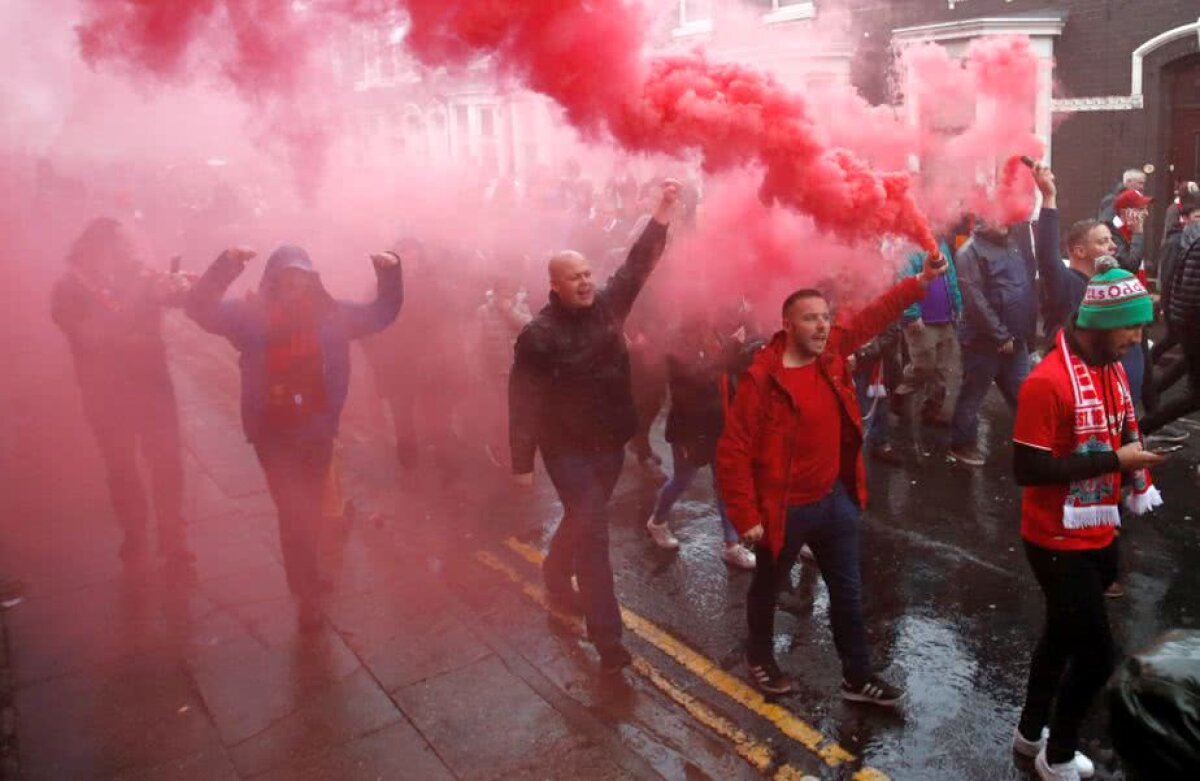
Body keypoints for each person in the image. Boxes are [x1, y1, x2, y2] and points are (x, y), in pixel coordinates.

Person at [715, 250, 949, 704]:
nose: (822, 327)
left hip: (834, 500)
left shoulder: (833, 352)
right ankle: (760, 659)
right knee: (767, 587)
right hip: (785, 510)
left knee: (847, 589)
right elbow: (734, 450)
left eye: (825, 318)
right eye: (810, 320)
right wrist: (745, 516)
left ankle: (857, 677)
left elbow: (874, 316)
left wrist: (918, 282)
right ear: (787, 325)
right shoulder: (762, 378)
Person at [509, 180, 680, 674]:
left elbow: (637, 264)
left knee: (584, 519)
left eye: (587, 273)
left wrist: (663, 212)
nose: (585, 282)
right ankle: (608, 641)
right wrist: (522, 463)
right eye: (574, 277)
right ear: (554, 286)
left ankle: (553, 567)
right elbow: (522, 400)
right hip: (567, 452)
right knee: (594, 536)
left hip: (609, 446)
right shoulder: (539, 336)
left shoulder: (608, 305)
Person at [186, 244, 402, 629]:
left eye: (299, 276)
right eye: (285, 276)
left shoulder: (332, 316)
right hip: (272, 434)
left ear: (310, 279)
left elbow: (382, 314)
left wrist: (390, 274)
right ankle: (306, 595)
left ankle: (309, 578)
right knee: (293, 512)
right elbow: (199, 308)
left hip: (316, 431)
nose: (292, 283)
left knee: (312, 509)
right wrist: (226, 265)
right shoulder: (249, 317)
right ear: (272, 280)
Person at [1010, 267, 1164, 781]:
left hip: (1098, 529)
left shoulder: (1108, 369)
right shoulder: (1046, 382)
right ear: (1103, 323)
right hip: (1054, 540)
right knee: (1097, 657)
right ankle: (1056, 757)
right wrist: (1114, 463)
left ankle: (1030, 734)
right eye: (1132, 330)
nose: (1137, 341)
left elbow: (1117, 438)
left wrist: (1132, 460)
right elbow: (1027, 470)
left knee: (1058, 638)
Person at [51, 217, 195, 567]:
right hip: (105, 393)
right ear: (88, 250)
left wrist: (182, 287)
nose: (119, 252)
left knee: (166, 461)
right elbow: (85, 334)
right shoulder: (70, 288)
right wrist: (128, 329)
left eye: (123, 245)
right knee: (121, 464)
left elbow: (177, 297)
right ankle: (134, 532)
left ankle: (172, 534)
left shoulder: (142, 278)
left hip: (152, 385)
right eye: (110, 246)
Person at [645, 314, 756, 570]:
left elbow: (731, 368)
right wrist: (730, 350)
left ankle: (731, 544)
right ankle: (657, 521)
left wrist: (750, 349)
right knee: (683, 480)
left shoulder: (716, 330)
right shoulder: (678, 340)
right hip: (690, 430)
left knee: (724, 483)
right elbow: (695, 379)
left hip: (721, 425)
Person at [949, 193, 1052, 466]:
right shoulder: (968, 252)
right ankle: (961, 444)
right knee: (973, 394)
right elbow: (975, 300)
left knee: (1022, 394)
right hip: (985, 342)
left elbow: (1023, 287)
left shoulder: (1011, 243)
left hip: (1015, 340)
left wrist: (1023, 334)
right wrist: (1000, 334)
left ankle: (1033, 442)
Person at [1140, 209, 1200, 436]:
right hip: (1193, 323)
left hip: (1188, 322)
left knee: (1189, 371)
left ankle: (1150, 394)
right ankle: (1140, 429)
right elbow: (1191, 291)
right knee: (1195, 396)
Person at [893, 237, 961, 428]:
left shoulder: (941, 243)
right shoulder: (908, 246)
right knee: (924, 366)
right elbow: (904, 280)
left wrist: (957, 304)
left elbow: (951, 277)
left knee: (941, 370)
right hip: (921, 322)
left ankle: (932, 410)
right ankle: (902, 392)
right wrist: (912, 313)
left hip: (945, 318)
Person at [1105, 189, 1151, 274]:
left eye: (1146, 209)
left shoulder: (1131, 231)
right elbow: (1130, 266)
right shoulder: (1111, 233)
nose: (1146, 213)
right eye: (1141, 209)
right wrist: (1138, 232)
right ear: (1124, 212)